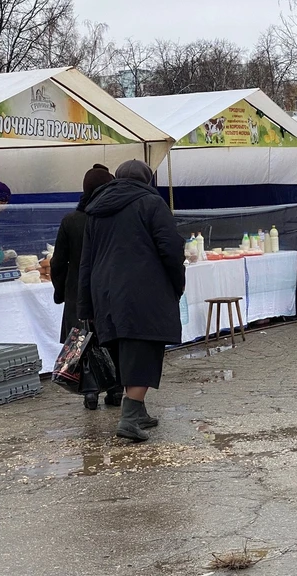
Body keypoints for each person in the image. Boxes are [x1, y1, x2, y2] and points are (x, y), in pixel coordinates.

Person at [78, 159, 186, 442]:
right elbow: (171, 247)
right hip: (143, 288)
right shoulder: (151, 203)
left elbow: (86, 262)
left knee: (125, 349)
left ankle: (139, 412)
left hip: (106, 292)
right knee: (144, 347)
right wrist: (177, 282)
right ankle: (128, 418)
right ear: (147, 180)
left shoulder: (96, 210)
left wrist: (85, 304)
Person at [52, 164, 119, 411]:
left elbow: (58, 261)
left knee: (85, 341)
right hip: (110, 289)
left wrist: (59, 292)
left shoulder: (72, 220)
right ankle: (115, 389)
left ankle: (90, 392)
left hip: (77, 291)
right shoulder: (114, 219)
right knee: (112, 340)